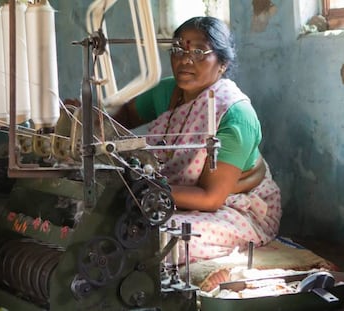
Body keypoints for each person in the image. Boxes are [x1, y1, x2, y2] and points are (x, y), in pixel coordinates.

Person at [113, 16, 282, 262]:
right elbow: (123, 116)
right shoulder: (169, 91)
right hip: (171, 197)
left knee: (155, 238)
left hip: (236, 208)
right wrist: (88, 119)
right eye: (178, 50)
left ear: (222, 63)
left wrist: (139, 188)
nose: (185, 60)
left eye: (200, 51)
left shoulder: (235, 114)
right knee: (106, 220)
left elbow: (211, 197)